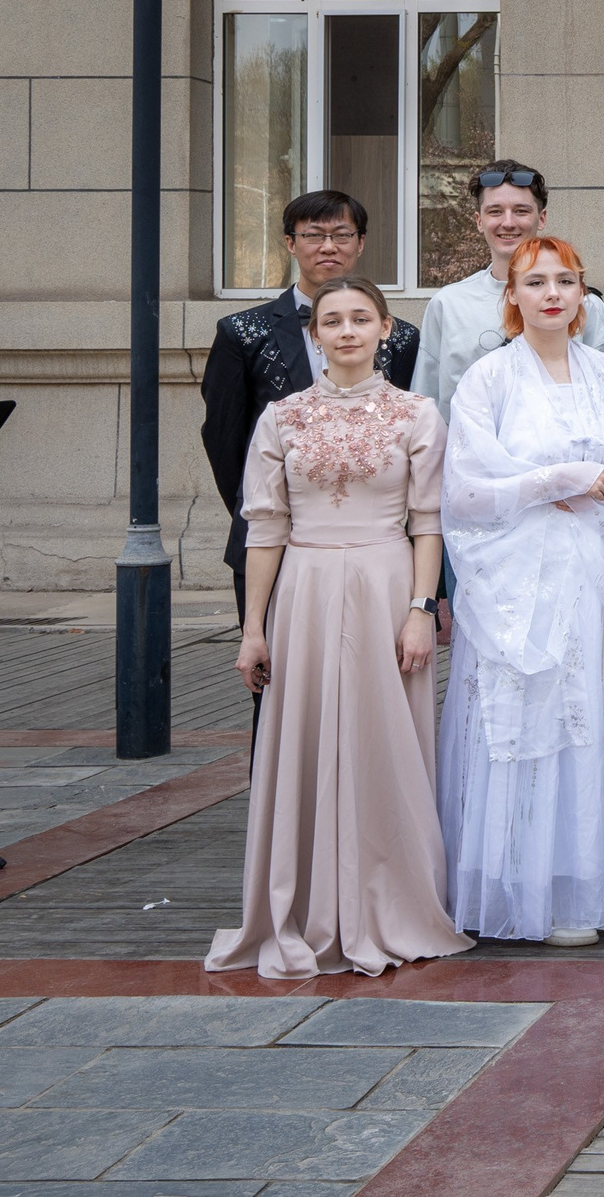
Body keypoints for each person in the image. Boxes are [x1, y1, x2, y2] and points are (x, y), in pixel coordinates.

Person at [208, 276, 471, 979]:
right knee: (302, 739)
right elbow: (264, 526)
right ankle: (304, 905)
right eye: (332, 319)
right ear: (315, 332)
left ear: (387, 328)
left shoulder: (418, 414)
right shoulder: (282, 418)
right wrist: (253, 628)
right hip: (305, 588)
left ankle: (390, 899)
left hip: (388, 583)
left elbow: (428, 521)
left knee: (385, 740)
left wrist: (421, 608)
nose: (347, 329)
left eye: (361, 317)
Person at [437, 236, 604, 947]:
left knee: (597, 717)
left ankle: (586, 881)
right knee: (527, 723)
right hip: (520, 586)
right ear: (510, 293)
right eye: (534, 280)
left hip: (599, 579)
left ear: (583, 294)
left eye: (565, 280)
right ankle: (519, 881)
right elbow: (466, 490)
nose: (551, 293)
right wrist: (553, 483)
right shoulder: (487, 379)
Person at [200, 191, 420, 709]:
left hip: (374, 547)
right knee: (278, 689)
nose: (328, 247)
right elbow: (224, 438)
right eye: (313, 235)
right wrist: (268, 513)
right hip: (276, 541)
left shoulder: (401, 336)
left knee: (373, 692)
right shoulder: (242, 331)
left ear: (361, 244)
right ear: (289, 243)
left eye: (342, 235)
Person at [413, 161, 604, 417]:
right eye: (495, 212)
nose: (508, 223)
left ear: (541, 218)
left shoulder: (582, 303)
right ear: (479, 221)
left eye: (521, 211)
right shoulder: (449, 304)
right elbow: (426, 404)